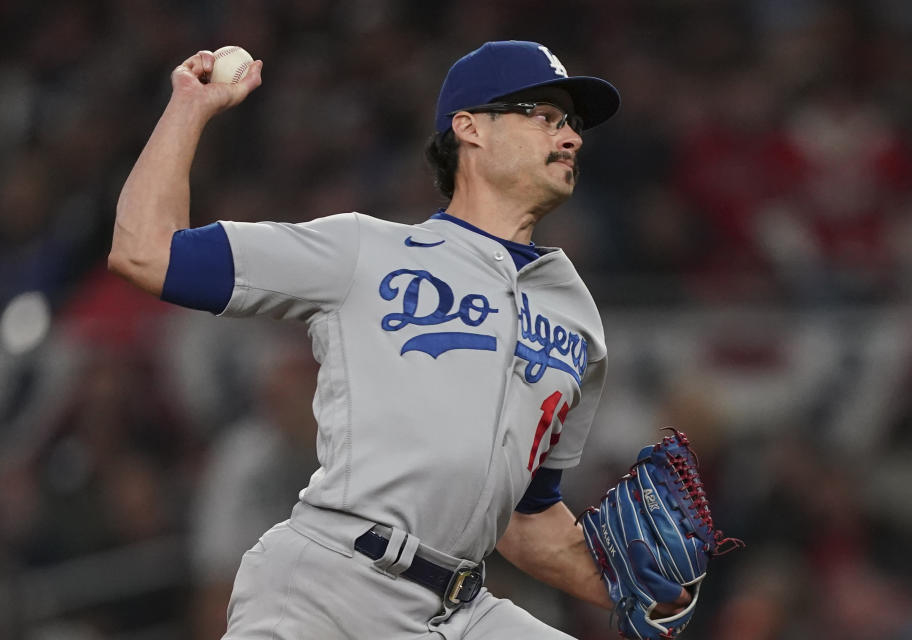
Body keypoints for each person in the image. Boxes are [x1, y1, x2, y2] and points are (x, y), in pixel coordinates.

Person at [109, 40, 689, 639]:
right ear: (471, 128)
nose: (570, 138)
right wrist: (188, 107)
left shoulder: (576, 316)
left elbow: (526, 517)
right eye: (543, 116)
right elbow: (145, 251)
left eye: (571, 125)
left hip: (460, 608)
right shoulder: (366, 250)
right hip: (330, 586)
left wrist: (640, 588)